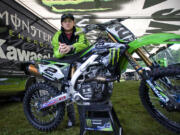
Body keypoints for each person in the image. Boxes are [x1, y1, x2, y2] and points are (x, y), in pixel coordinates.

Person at [51, 13, 90, 128]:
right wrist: (61, 51)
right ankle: (71, 120)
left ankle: (85, 119)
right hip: (66, 66)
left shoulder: (80, 32)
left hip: (81, 64)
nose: (67, 23)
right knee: (67, 92)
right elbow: (55, 53)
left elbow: (85, 45)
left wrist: (71, 47)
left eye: (70, 21)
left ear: (73, 22)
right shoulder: (56, 36)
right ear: (62, 23)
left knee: (83, 90)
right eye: (65, 21)